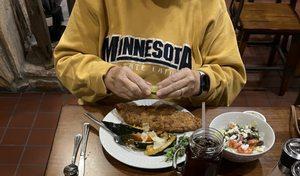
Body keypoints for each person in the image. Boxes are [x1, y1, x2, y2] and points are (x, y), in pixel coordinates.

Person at [54, 0, 246, 106]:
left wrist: (201, 81)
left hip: (183, 126)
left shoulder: (210, 5)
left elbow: (232, 75)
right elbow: (66, 60)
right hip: (106, 118)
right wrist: (105, 76)